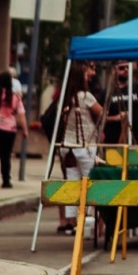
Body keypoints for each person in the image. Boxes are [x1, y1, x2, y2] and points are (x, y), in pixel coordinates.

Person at [56, 68, 105, 236]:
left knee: (73, 184)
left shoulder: (64, 98)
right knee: (90, 184)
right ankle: (88, 223)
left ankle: (73, 222)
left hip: (66, 147)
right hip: (85, 145)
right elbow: (101, 113)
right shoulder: (86, 96)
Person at [100, 62, 138, 148]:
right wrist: (116, 118)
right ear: (114, 70)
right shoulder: (107, 93)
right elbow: (100, 118)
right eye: (121, 68)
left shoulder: (137, 88)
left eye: (127, 67)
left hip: (136, 142)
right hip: (112, 143)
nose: (125, 70)